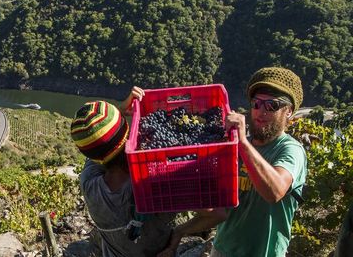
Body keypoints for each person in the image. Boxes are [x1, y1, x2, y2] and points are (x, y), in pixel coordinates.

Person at [159, 67, 308, 257]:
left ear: (289, 111)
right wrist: (179, 231)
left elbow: (274, 191)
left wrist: (242, 143)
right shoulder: (234, 147)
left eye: (271, 105)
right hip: (221, 251)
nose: (261, 111)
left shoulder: (289, 150)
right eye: (256, 103)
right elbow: (222, 212)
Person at [71, 87, 176, 257]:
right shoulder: (155, 185)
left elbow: (99, 146)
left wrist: (118, 115)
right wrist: (178, 235)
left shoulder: (88, 182)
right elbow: (216, 214)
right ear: (129, 133)